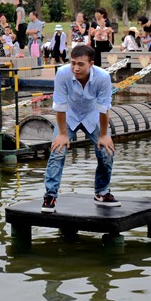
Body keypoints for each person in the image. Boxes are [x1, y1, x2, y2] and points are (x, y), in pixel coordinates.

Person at [41, 44, 118, 213]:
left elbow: (104, 108)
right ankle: (50, 195)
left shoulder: (103, 77)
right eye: (73, 63)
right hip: (69, 115)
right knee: (57, 151)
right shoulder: (62, 73)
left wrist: (104, 135)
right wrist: (62, 134)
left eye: (81, 64)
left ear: (91, 64)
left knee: (106, 152)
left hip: (92, 115)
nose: (76, 68)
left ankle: (102, 192)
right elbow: (60, 106)